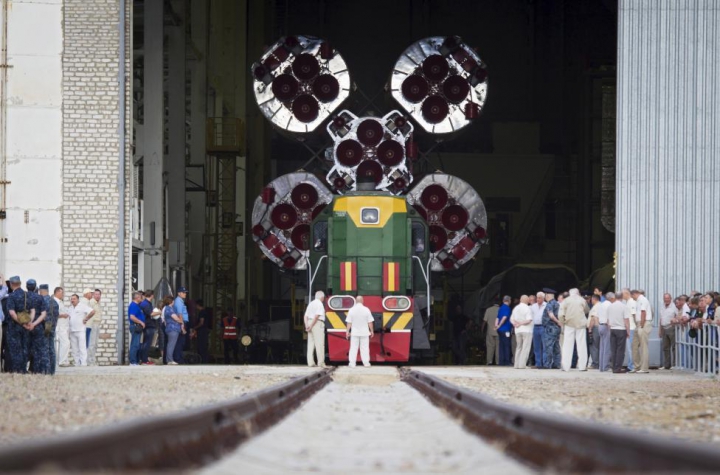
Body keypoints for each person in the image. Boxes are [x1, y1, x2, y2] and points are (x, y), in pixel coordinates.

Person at [6, 276, 34, 373]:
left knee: (15, 349)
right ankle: (23, 369)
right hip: (26, 326)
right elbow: (32, 311)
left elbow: (12, 313)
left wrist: (21, 323)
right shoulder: (27, 295)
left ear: (11, 284)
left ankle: (17, 370)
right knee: (24, 347)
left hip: (14, 327)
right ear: (20, 283)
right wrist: (29, 323)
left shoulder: (11, 296)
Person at [559, 289, 590, 371]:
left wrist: (563, 321)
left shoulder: (566, 301)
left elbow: (561, 314)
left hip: (569, 324)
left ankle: (566, 366)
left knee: (567, 345)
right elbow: (587, 310)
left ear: (570, 293)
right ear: (578, 293)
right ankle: (582, 366)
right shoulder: (582, 300)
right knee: (582, 345)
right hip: (581, 324)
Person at [26, 280, 49, 374]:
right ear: (36, 287)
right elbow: (44, 314)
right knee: (39, 349)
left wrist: (28, 324)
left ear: (26, 286)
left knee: (26, 348)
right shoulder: (40, 298)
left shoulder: (24, 296)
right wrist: (34, 324)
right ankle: (37, 370)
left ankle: (23, 370)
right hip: (38, 326)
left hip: (25, 326)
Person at [346, 295, 375, 367]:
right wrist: (372, 331)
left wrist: (347, 332)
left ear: (356, 301)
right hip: (364, 333)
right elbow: (370, 322)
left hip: (354, 333)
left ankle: (352, 363)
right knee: (365, 348)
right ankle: (366, 363)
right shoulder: (366, 309)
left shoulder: (351, 310)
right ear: (362, 301)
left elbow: (349, 322)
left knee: (353, 348)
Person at [607, 293, 630, 373]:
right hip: (621, 329)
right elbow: (626, 320)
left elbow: (608, 320)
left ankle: (613, 367)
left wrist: (610, 329)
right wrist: (628, 331)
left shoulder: (610, 306)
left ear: (615, 297)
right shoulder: (624, 306)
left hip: (612, 329)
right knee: (620, 350)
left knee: (613, 349)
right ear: (622, 297)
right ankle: (618, 368)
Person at [630, 289, 653, 374]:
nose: (632, 298)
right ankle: (637, 366)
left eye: (632, 296)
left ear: (634, 294)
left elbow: (643, 312)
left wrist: (642, 324)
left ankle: (644, 368)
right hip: (638, 323)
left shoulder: (643, 300)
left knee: (643, 346)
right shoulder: (638, 301)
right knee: (634, 345)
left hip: (643, 323)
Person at [67, 294, 91, 366]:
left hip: (80, 330)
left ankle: (83, 363)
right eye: (71, 299)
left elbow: (92, 311)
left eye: (74, 299)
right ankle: (76, 363)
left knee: (82, 348)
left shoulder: (82, 306)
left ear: (78, 300)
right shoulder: (70, 308)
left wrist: (86, 318)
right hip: (72, 331)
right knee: (74, 349)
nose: (72, 300)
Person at [511, 295, 533, 369]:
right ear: (527, 301)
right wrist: (520, 323)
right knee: (525, 347)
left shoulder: (516, 308)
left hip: (517, 330)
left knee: (518, 347)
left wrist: (515, 324)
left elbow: (511, 319)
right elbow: (529, 320)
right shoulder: (527, 308)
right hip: (526, 330)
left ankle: (516, 364)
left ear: (520, 300)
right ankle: (522, 365)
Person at [304, 290, 326, 367]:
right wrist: (312, 325)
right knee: (319, 344)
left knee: (310, 344)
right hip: (317, 323)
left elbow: (305, 316)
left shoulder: (311, 304)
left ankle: (310, 362)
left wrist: (307, 325)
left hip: (309, 322)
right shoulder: (319, 304)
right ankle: (320, 363)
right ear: (322, 297)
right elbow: (317, 316)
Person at [541, 289, 562, 369]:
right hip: (556, 328)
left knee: (548, 346)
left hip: (550, 328)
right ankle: (557, 364)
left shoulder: (549, 304)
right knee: (556, 346)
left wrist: (557, 322)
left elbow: (551, 315)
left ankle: (547, 364)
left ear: (547, 296)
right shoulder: (557, 304)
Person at [140, 289, 160, 365]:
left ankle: (144, 359)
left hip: (148, 325)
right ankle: (144, 360)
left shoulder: (146, 303)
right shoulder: (146, 304)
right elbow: (150, 314)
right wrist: (159, 312)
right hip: (148, 325)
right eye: (153, 295)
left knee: (146, 343)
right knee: (147, 343)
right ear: (151, 295)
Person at [162, 296, 182, 365]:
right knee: (171, 344)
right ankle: (170, 360)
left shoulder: (167, 308)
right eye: (173, 301)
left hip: (170, 328)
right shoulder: (169, 309)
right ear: (171, 301)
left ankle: (169, 359)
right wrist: (181, 321)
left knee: (170, 344)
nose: (174, 302)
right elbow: (175, 318)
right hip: (173, 328)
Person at [659, 293, 677, 370]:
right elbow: (661, 318)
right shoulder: (662, 306)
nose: (666, 300)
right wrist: (660, 330)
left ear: (670, 298)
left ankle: (674, 364)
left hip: (671, 327)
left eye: (667, 298)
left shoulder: (674, 307)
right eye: (665, 298)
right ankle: (667, 365)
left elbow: (677, 316)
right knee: (665, 347)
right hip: (664, 328)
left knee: (674, 347)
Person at [127, 291, 145, 366]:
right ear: (137, 297)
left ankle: (135, 361)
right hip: (135, 326)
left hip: (137, 326)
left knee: (137, 344)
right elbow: (132, 317)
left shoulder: (137, 305)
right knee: (135, 344)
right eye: (141, 297)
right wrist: (141, 322)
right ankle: (133, 361)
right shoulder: (134, 305)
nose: (142, 299)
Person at [621, 288, 637, 371]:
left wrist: (636, 326)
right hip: (629, 328)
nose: (622, 295)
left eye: (623, 294)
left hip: (632, 328)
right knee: (630, 348)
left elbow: (634, 315)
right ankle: (631, 365)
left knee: (631, 348)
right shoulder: (627, 302)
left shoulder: (631, 302)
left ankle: (632, 366)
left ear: (627, 294)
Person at [173, 287, 189, 364]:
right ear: (179, 293)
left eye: (185, 293)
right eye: (183, 292)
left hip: (181, 322)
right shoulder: (178, 301)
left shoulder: (180, 301)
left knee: (181, 341)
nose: (185, 294)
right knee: (180, 342)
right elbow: (180, 314)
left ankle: (178, 357)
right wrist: (182, 326)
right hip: (181, 323)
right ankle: (178, 358)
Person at [85, 289, 102, 366]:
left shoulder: (98, 303)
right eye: (96, 294)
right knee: (91, 343)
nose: (97, 296)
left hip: (97, 324)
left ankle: (92, 360)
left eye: (99, 294)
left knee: (95, 343)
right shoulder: (91, 302)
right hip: (92, 324)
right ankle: (90, 361)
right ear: (93, 295)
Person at [597, 292, 613, 372]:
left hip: (600, 325)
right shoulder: (610, 305)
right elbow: (609, 318)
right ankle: (605, 366)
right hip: (606, 326)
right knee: (607, 347)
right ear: (611, 298)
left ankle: (601, 366)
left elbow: (597, 316)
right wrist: (610, 328)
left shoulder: (601, 304)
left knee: (602, 347)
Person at [495, 296, 513, 366]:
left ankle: (501, 361)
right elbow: (504, 317)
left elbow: (497, 318)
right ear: (509, 301)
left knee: (501, 345)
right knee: (506, 345)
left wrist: (496, 325)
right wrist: (499, 325)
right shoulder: (507, 308)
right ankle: (507, 361)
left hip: (500, 330)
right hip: (506, 330)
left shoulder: (500, 308)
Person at [530, 291, 546, 368]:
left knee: (544, 345)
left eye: (539, 298)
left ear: (543, 298)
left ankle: (544, 362)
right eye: (537, 298)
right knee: (536, 346)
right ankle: (538, 363)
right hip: (535, 326)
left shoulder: (546, 305)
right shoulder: (533, 306)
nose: (538, 299)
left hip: (543, 326)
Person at [194, 299, 211, 364]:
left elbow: (201, 323)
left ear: (198, 305)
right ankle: (204, 360)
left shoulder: (202, 312)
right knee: (204, 346)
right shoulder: (206, 312)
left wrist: (195, 328)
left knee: (201, 346)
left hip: (202, 331)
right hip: (205, 330)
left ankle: (203, 360)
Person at [587, 294, 601, 369]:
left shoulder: (595, 307)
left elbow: (593, 318)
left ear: (594, 299)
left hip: (595, 328)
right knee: (599, 346)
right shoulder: (601, 305)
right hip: (600, 327)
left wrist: (590, 329)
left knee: (594, 346)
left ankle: (595, 363)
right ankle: (599, 362)